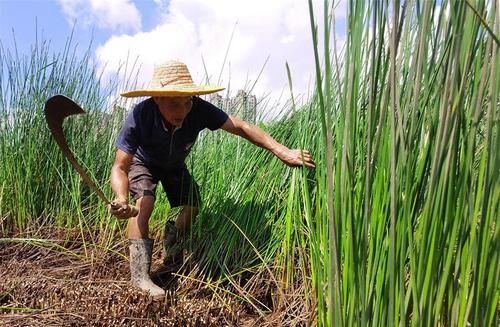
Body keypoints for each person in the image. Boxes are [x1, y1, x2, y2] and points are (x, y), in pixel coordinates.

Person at [109, 60, 315, 298]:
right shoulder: (140, 115)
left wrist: (282, 150)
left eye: (187, 102)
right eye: (175, 103)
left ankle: (172, 236)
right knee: (144, 203)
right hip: (143, 162)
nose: (183, 111)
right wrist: (121, 198)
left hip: (174, 164)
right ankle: (140, 277)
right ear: (157, 98)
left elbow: (240, 126)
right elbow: (120, 166)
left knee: (194, 205)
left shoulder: (197, 109)